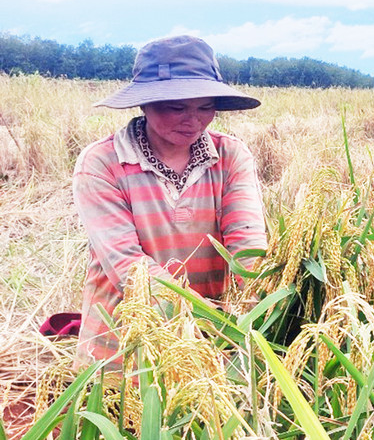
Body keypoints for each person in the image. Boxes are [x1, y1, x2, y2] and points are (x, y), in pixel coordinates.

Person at [73, 35, 267, 367]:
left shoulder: (230, 155)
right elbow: (128, 267)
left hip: (214, 349)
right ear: (144, 104)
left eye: (206, 108)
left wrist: (261, 305)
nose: (193, 120)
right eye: (176, 108)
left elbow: (247, 245)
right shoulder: (102, 163)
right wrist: (204, 319)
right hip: (122, 348)